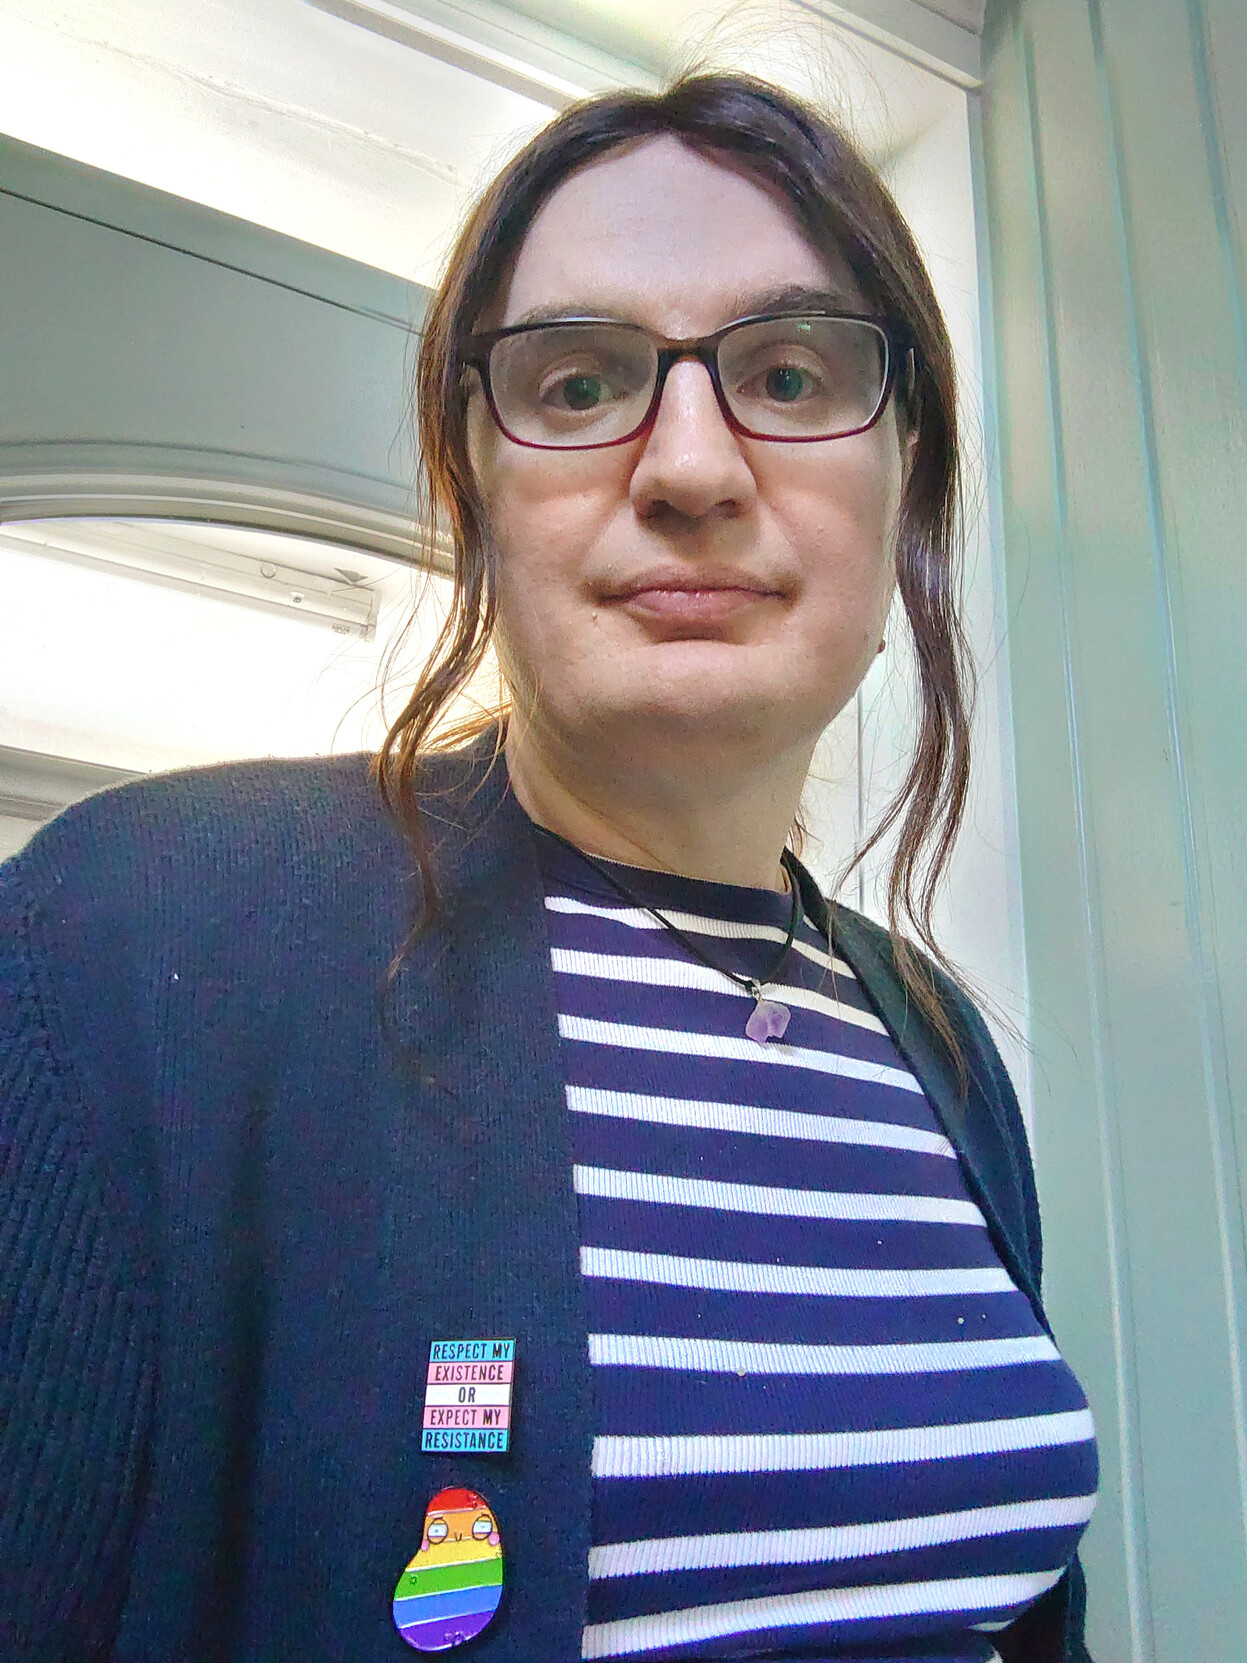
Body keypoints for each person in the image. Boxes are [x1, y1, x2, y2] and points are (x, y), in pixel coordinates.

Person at [0, 71, 1098, 1663]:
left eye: (790, 373)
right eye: (581, 386)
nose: (693, 468)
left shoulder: (940, 1051)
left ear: (905, 482)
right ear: (474, 483)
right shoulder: (118, 943)